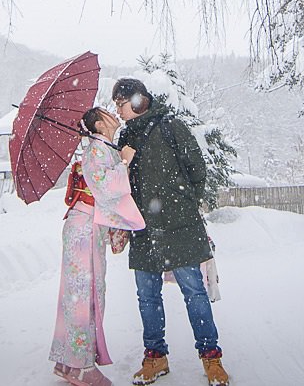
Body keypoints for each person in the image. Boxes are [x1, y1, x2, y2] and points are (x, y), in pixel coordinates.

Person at [113, 78, 231, 386]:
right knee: (147, 296)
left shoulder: (170, 126)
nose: (118, 110)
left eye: (121, 104)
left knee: (194, 292)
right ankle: (156, 358)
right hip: (142, 229)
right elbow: (119, 184)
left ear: (139, 101)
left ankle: (211, 359)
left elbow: (196, 169)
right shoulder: (125, 138)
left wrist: (182, 203)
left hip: (180, 227)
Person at [50, 107, 146, 386]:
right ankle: (81, 365)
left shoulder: (101, 147)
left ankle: (68, 362)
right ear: (100, 125)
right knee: (87, 294)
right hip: (85, 225)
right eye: (107, 113)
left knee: (79, 293)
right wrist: (124, 163)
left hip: (85, 225)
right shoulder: (96, 149)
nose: (113, 115)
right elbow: (105, 186)